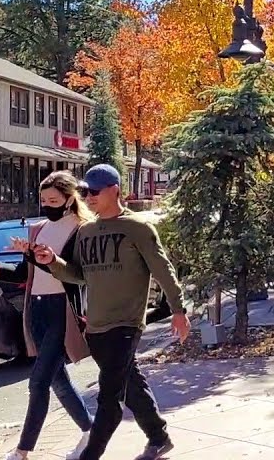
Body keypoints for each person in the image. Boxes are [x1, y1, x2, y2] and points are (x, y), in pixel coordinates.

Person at [31, 164, 190, 460]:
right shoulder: (87, 231)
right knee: (130, 384)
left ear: (114, 190)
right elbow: (77, 274)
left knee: (109, 397)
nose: (89, 197)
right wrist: (52, 261)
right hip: (96, 326)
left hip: (126, 323)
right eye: (85, 191)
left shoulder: (137, 228)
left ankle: (90, 455)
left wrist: (178, 310)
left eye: (95, 191)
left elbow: (163, 270)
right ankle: (159, 437)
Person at [0, 171, 94, 460]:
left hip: (63, 311)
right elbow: (26, 272)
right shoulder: (38, 229)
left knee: (38, 381)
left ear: (69, 199)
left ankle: (22, 450)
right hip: (36, 309)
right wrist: (1, 270)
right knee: (57, 380)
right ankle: (90, 430)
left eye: (53, 200)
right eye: (43, 199)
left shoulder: (82, 230)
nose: (47, 205)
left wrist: (46, 259)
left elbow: (77, 276)